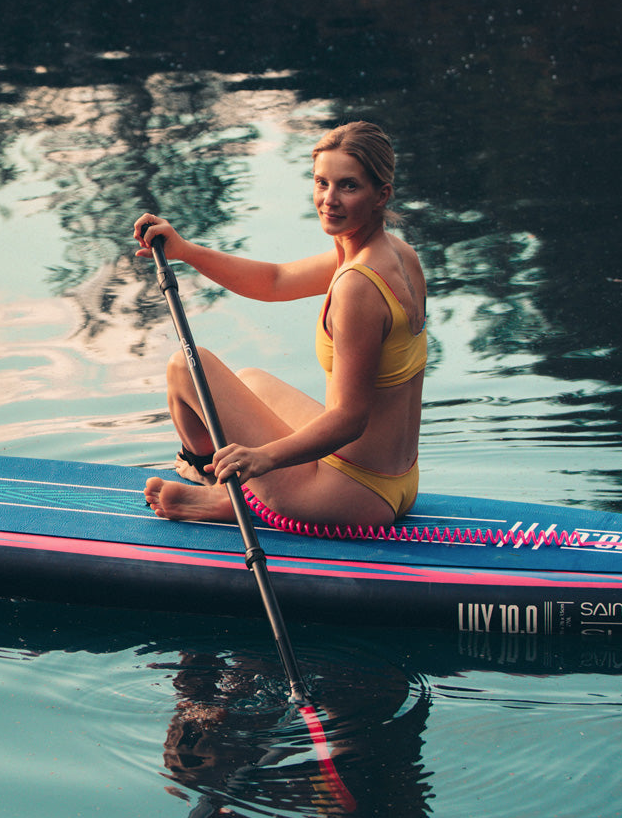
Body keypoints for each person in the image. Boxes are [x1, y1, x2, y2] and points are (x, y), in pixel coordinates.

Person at [134, 121, 425, 529]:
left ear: (381, 195)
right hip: (398, 480)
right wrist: (184, 250)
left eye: (348, 186)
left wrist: (262, 458)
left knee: (186, 367)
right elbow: (275, 281)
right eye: (321, 182)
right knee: (250, 380)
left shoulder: (357, 287)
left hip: (350, 497)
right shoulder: (395, 253)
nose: (329, 199)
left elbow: (350, 418)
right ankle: (235, 492)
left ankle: (216, 484)